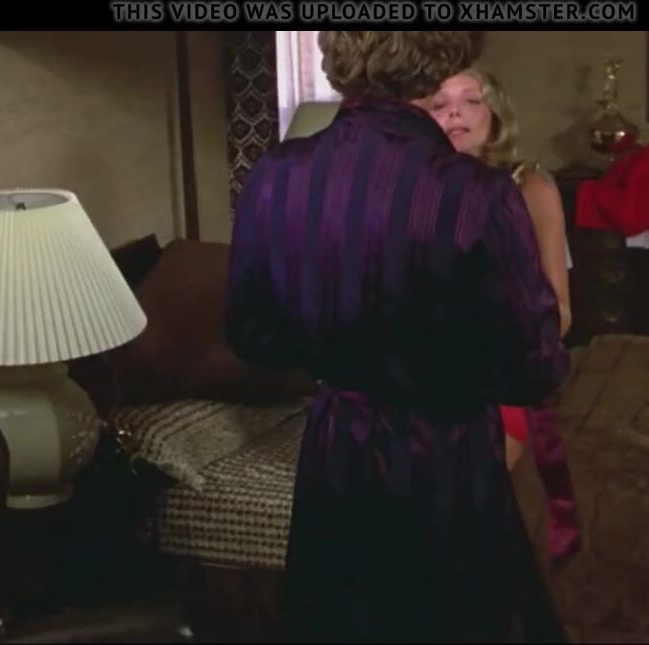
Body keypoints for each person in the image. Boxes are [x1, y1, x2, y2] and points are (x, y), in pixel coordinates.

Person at [224, 32, 569, 643]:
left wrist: (345, 353)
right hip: (448, 452)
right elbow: (534, 370)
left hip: (336, 447)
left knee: (340, 618)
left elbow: (254, 336)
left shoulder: (277, 173)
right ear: (441, 58)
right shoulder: (478, 194)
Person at [424, 67, 582, 563]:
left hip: (496, 373)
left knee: (461, 488)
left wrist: (499, 340)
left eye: (471, 101)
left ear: (495, 113)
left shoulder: (530, 187)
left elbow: (560, 312)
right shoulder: (409, 188)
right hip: (418, 371)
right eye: (439, 103)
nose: (455, 112)